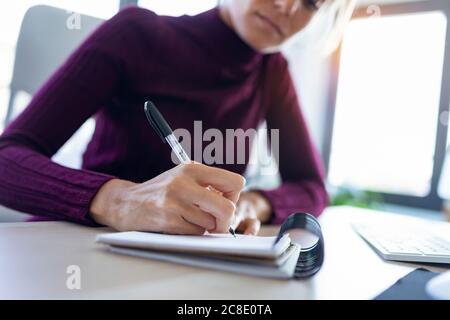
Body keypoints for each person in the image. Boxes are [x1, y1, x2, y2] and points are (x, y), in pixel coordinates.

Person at [0, 0, 355, 235]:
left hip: (189, 266)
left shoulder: (272, 72)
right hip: (80, 250)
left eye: (311, 2)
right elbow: (6, 159)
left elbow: (311, 187)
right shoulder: (135, 34)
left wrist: (252, 204)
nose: (287, 6)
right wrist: (120, 200)